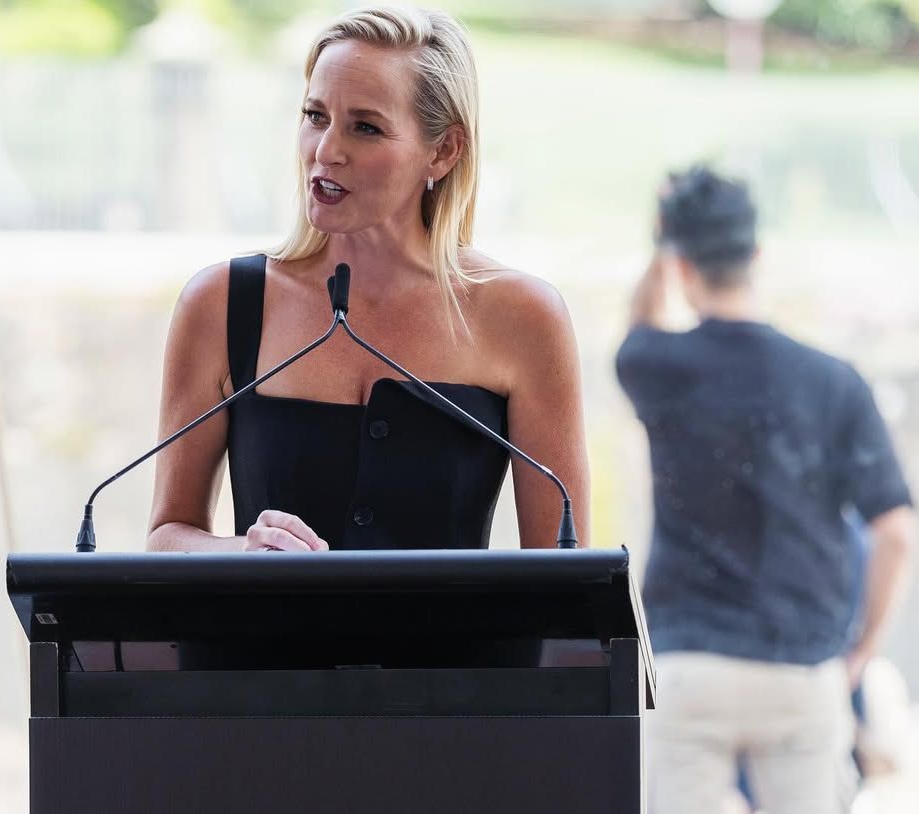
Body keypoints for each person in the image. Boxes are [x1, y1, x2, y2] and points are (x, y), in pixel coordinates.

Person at [146, 6, 589, 554]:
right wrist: (243, 554)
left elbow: (566, 572)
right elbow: (166, 535)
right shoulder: (222, 303)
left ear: (444, 151)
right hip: (260, 618)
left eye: (365, 127)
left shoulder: (521, 315)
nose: (326, 151)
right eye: (315, 116)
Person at [616, 166, 914, 813]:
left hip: (688, 662)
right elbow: (896, 532)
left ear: (680, 265)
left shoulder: (656, 365)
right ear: (757, 255)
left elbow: (638, 324)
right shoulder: (834, 383)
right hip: (801, 667)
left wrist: (663, 245)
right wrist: (862, 650)